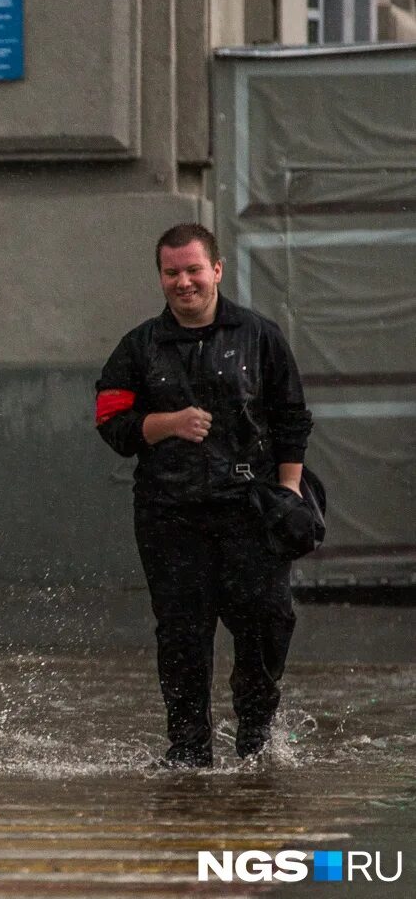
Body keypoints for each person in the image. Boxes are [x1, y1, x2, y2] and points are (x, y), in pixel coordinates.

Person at [95, 223, 312, 768]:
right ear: (161, 277)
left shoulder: (259, 336)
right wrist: (168, 423)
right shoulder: (139, 347)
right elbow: (112, 423)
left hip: (250, 512)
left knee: (265, 624)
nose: (183, 282)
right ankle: (189, 750)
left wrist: (289, 490)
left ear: (216, 269)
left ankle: (257, 741)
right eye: (172, 273)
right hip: (171, 515)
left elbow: (292, 417)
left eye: (194, 270)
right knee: (183, 638)